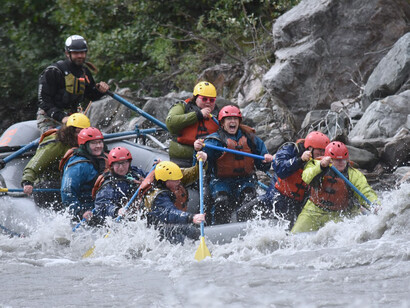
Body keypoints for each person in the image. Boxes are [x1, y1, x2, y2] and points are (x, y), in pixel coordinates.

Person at [194, 105, 273, 225]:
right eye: (229, 119)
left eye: (235, 119)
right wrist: (203, 155)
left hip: (245, 179)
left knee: (248, 196)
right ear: (222, 123)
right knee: (222, 201)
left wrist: (266, 161)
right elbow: (204, 155)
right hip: (220, 181)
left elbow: (262, 164)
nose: (232, 121)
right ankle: (219, 228)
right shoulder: (216, 140)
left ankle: (246, 227)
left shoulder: (251, 139)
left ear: (239, 122)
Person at [237, 131, 330, 228]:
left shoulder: (322, 163)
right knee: (242, 212)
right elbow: (280, 169)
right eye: (320, 151)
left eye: (324, 151)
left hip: (296, 204)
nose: (322, 154)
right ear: (310, 148)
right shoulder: (291, 149)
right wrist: (299, 160)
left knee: (291, 225)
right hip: (276, 196)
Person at [291, 141, 379, 233]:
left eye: (343, 160)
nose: (341, 163)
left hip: (341, 214)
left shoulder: (354, 175)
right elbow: (306, 177)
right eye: (337, 160)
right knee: (294, 236)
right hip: (314, 210)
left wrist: (376, 204)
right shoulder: (316, 164)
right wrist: (321, 167)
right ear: (329, 159)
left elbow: (366, 191)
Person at [37, 35, 110, 133]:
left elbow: (91, 96)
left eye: (82, 52)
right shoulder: (54, 71)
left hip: (73, 118)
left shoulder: (84, 72)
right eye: (76, 53)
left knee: (89, 139)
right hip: (50, 118)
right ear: (67, 53)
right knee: (57, 143)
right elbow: (43, 101)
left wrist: (100, 91)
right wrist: (62, 117)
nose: (80, 56)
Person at [21, 113, 90, 209]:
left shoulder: (89, 144)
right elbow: (36, 163)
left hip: (72, 183)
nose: (80, 135)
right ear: (69, 131)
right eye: (77, 132)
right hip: (49, 185)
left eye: (82, 132)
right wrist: (27, 181)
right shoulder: (56, 143)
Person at [142, 157, 207, 244]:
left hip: (167, 225)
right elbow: (169, 213)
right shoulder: (159, 197)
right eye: (175, 180)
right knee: (189, 231)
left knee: (186, 229)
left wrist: (201, 163)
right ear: (164, 180)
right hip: (156, 229)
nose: (179, 181)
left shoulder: (172, 182)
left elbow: (192, 173)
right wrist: (191, 217)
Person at [166, 81, 219, 167]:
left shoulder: (219, 114)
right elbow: (171, 122)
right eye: (204, 99)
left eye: (212, 100)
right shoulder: (182, 106)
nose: (208, 102)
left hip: (207, 159)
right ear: (195, 98)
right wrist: (198, 115)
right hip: (182, 160)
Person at [60, 127, 107, 221]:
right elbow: (67, 191)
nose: (98, 146)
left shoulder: (103, 158)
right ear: (85, 145)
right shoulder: (78, 166)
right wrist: (80, 212)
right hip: (85, 209)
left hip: (101, 204)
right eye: (93, 143)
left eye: (100, 142)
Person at [91, 146, 147, 223]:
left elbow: (150, 177)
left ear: (129, 163)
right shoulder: (109, 184)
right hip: (121, 220)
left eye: (124, 163)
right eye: (117, 164)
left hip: (138, 212)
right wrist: (116, 210)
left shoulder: (136, 173)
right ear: (112, 166)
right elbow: (101, 206)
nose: (121, 167)